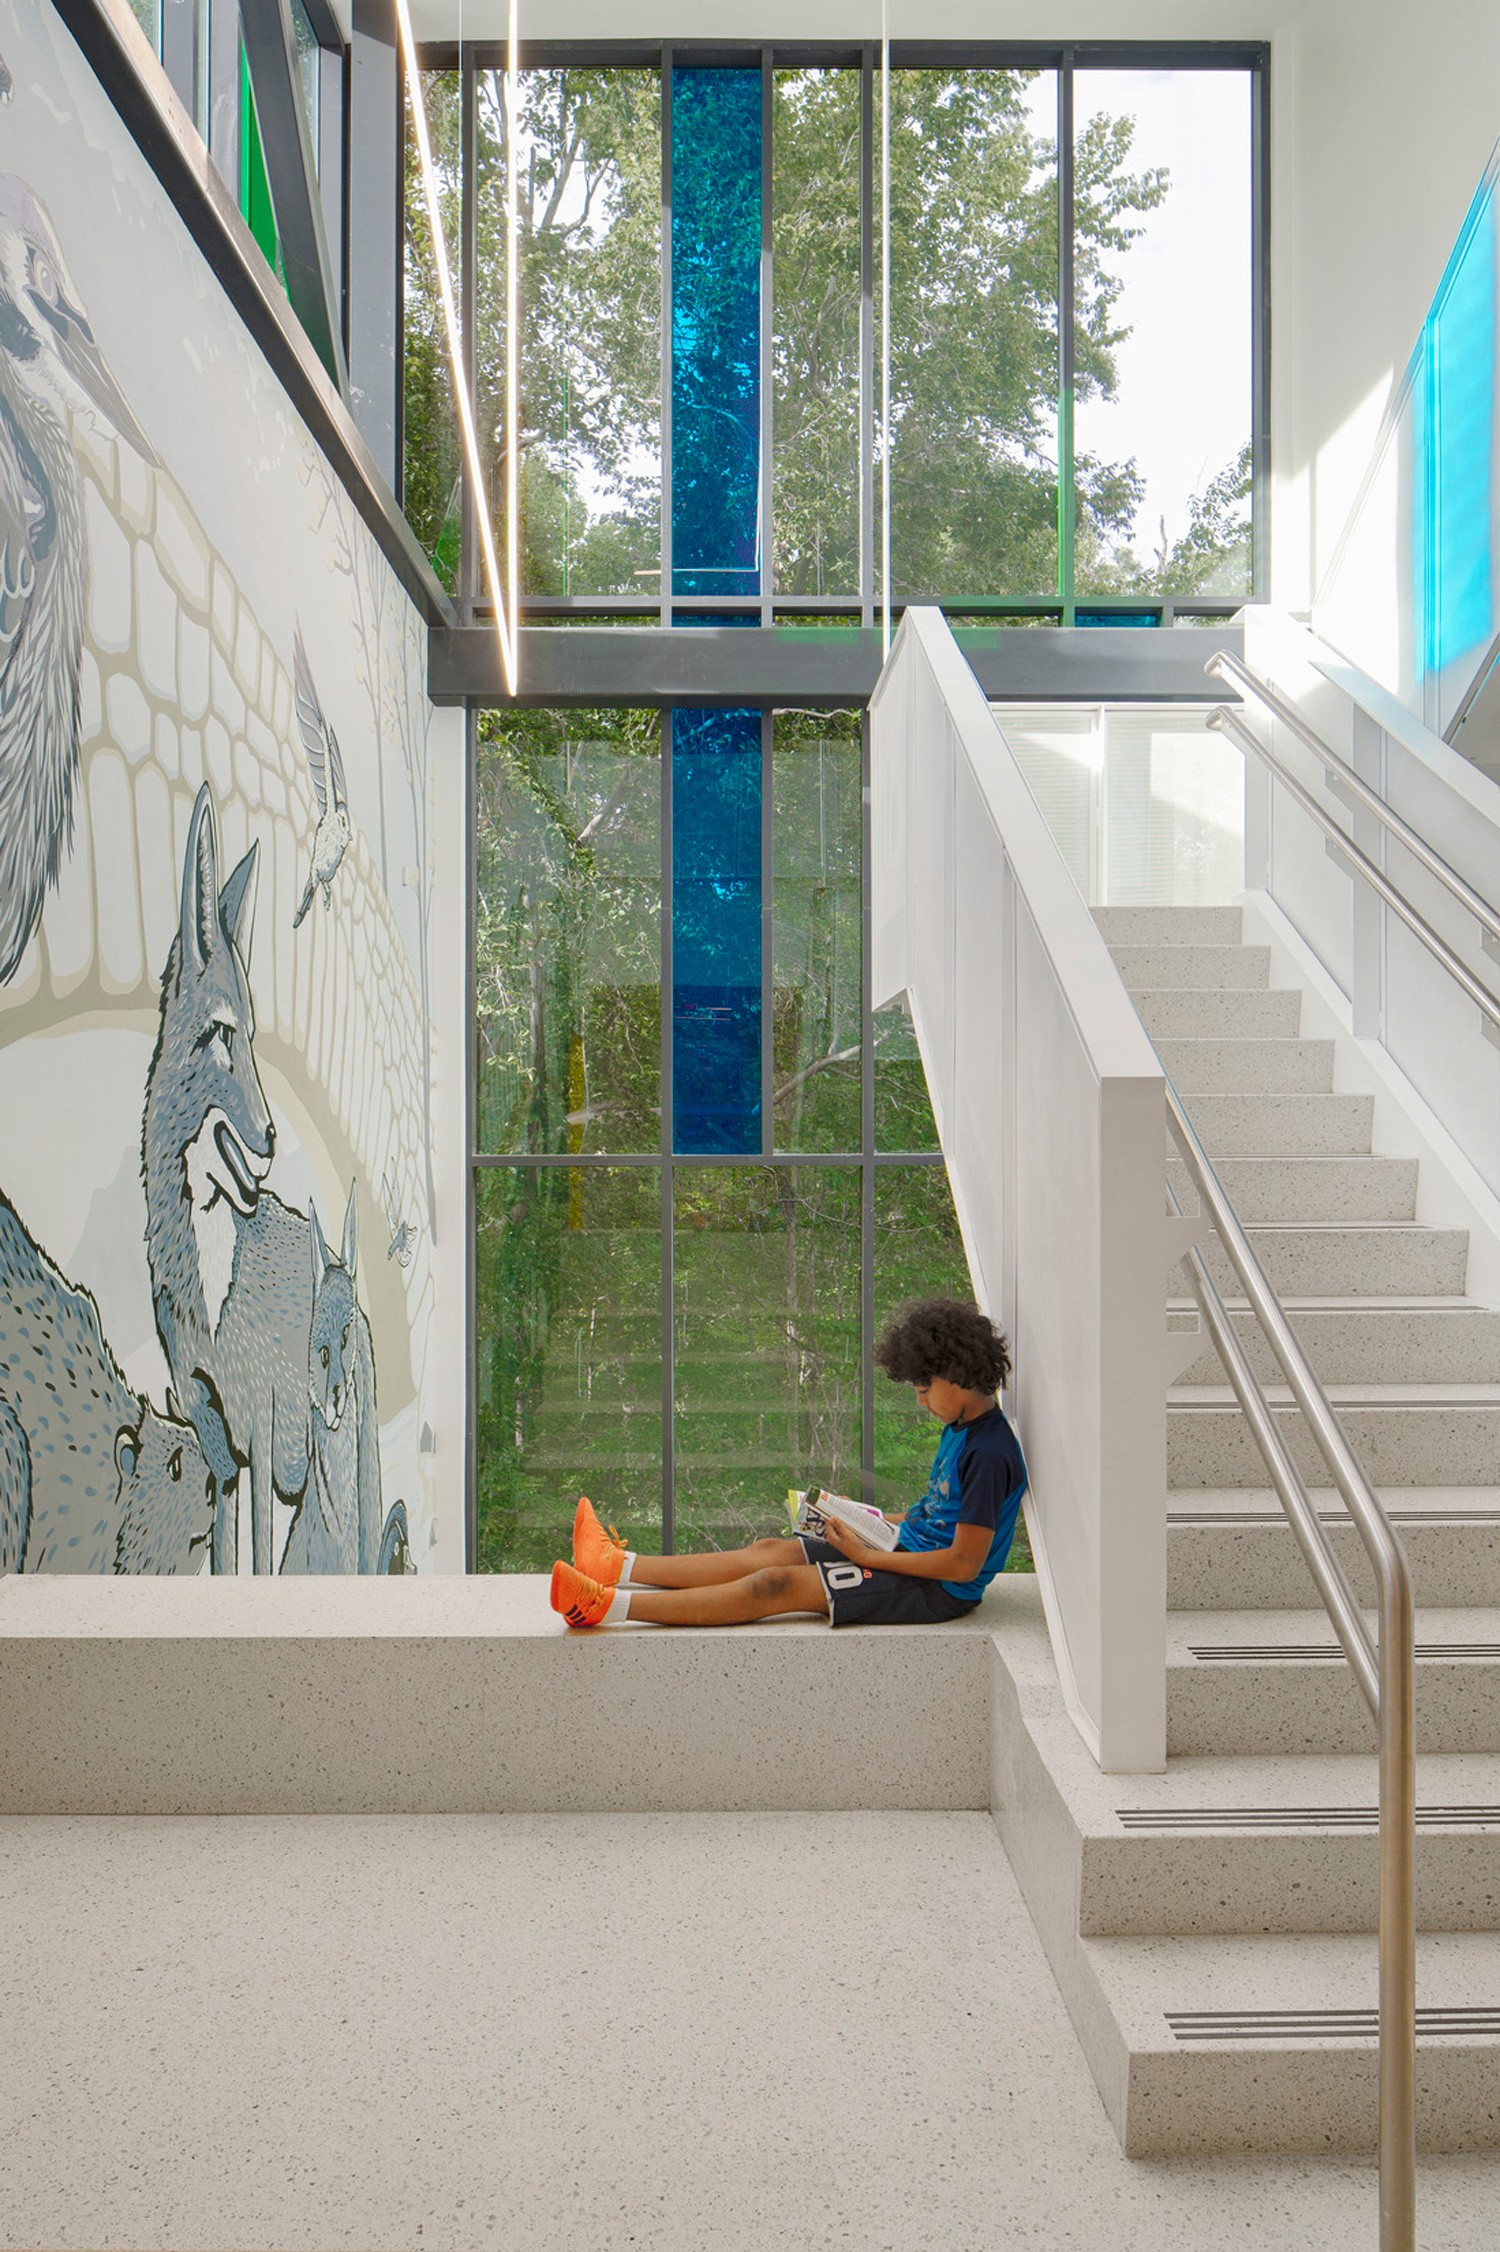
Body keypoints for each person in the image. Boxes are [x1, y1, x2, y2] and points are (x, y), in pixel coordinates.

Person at [548, 1296, 1027, 1630]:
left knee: (774, 1584)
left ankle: (607, 1607)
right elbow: (936, 1515)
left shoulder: (988, 1453)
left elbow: (964, 1564)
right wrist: (859, 1520)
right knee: (771, 1550)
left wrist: (867, 1557)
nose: (921, 1402)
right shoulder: (962, 1428)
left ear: (957, 1375)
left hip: (936, 1588)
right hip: (903, 1549)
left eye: (924, 1391)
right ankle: (617, 1564)